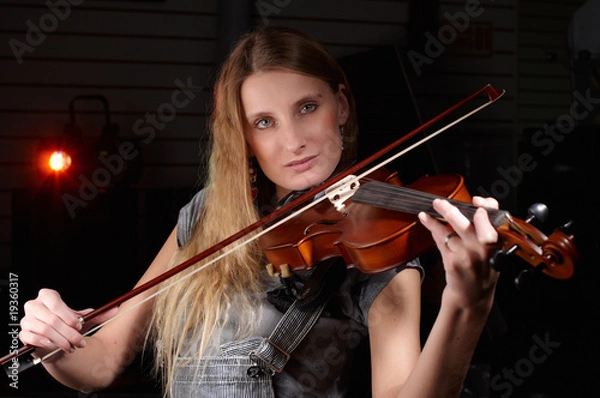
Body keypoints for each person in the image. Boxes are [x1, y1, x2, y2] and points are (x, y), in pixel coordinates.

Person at [18, 25, 500, 397]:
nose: (293, 142)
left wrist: (466, 305)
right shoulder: (209, 214)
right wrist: (51, 345)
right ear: (245, 138)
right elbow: (101, 363)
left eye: (308, 107)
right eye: (264, 122)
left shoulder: (378, 249)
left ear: (342, 105)